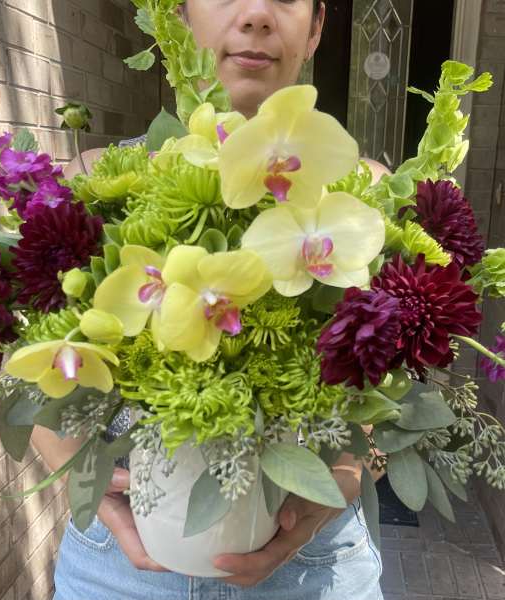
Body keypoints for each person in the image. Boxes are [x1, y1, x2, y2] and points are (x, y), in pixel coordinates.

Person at [37, 1, 390, 598]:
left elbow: (400, 387)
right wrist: (81, 475)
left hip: (316, 560)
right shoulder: (96, 183)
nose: (255, 15)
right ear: (179, 15)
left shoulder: (369, 194)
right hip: (120, 563)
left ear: (316, 28)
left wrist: (345, 477)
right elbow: (29, 364)